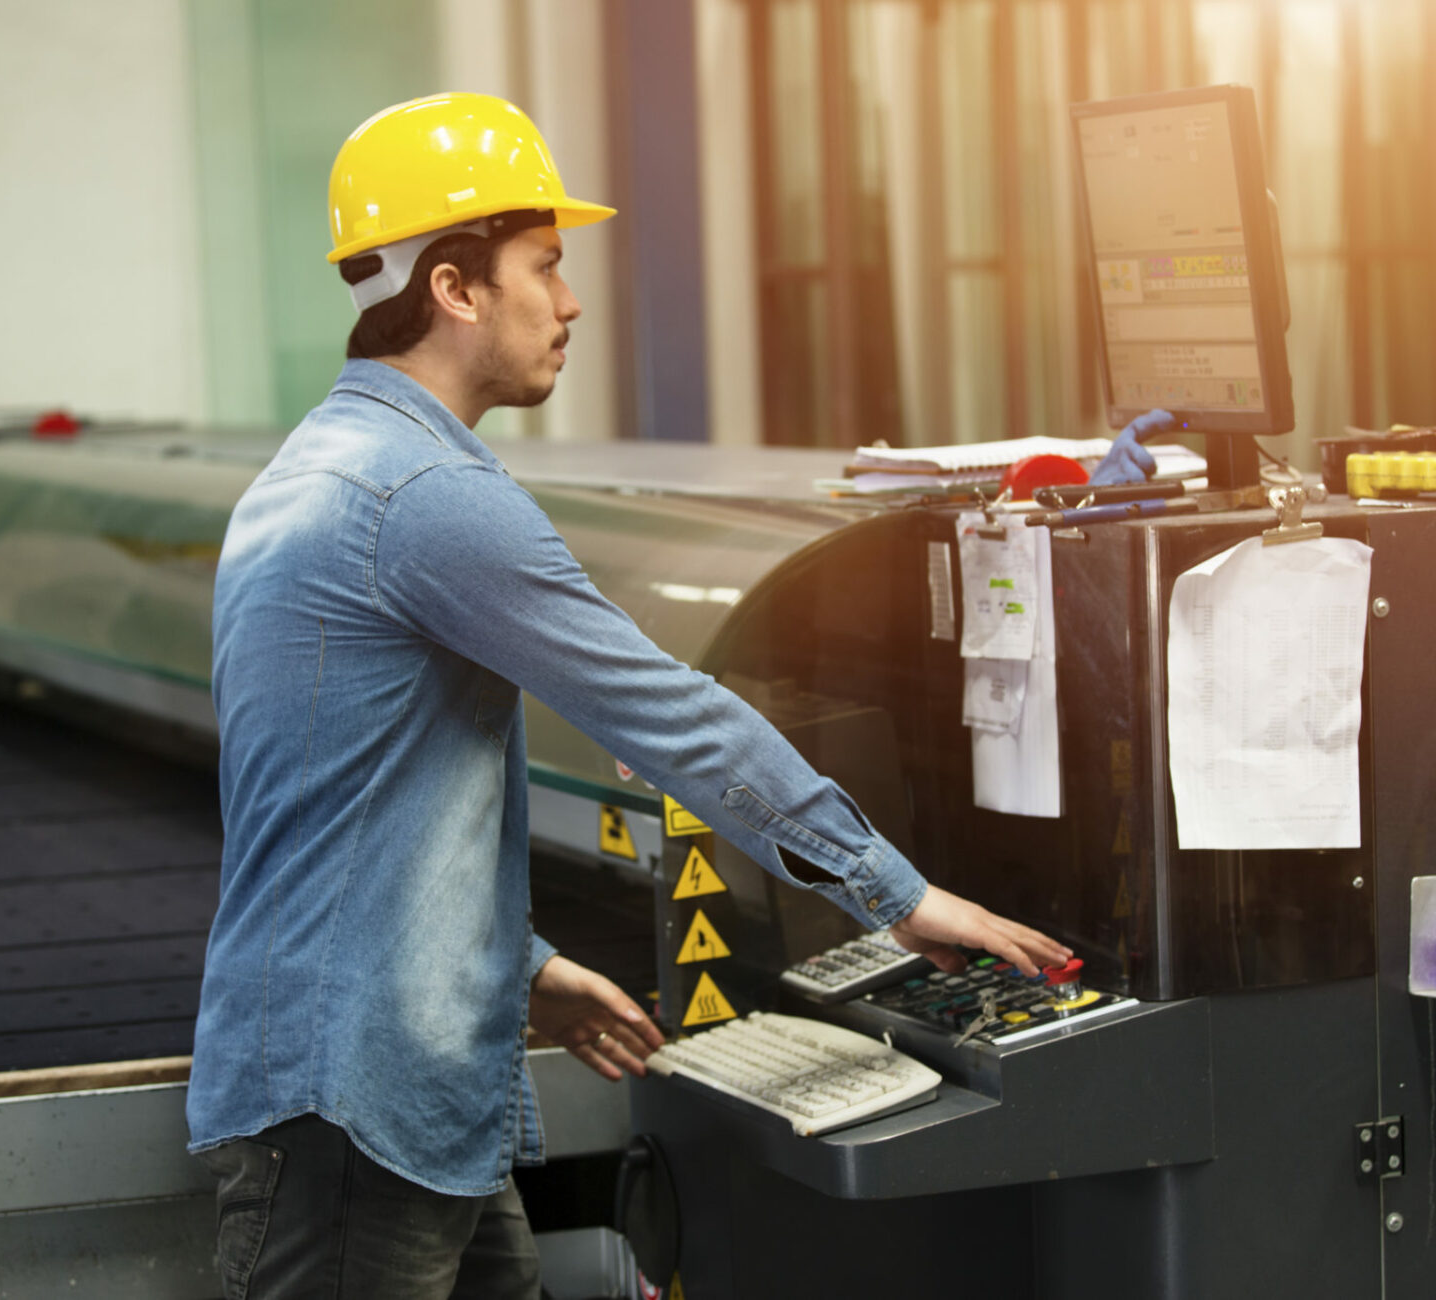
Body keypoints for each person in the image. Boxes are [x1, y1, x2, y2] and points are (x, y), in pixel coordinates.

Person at [186, 91, 1072, 1299]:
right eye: (543, 267)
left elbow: (347, 799)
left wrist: (518, 964)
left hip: (390, 1091)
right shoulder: (422, 494)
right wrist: (894, 895)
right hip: (353, 1111)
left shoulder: (325, 467)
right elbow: (668, 711)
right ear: (453, 288)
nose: (570, 301)